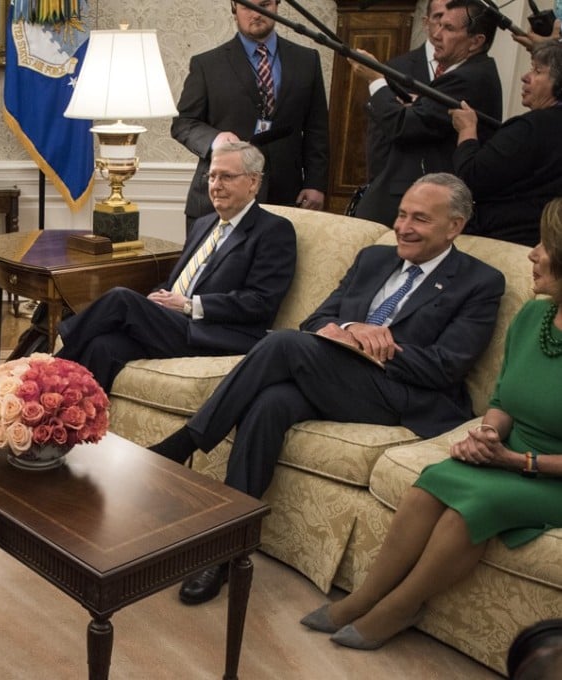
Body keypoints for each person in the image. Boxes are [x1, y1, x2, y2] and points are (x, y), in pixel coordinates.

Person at [150, 173, 506, 605]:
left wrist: (376, 347)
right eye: (401, 215)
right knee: (270, 403)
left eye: (420, 219)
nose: (403, 227)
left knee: (282, 343)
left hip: (401, 394)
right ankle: (224, 549)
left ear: (454, 226)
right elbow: (316, 321)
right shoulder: (374, 259)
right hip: (337, 377)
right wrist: (353, 328)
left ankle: (186, 441)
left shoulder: (479, 282)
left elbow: (446, 366)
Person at [299, 198, 562, 650]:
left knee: (471, 507)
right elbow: (501, 399)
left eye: (545, 246)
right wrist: (489, 433)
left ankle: (400, 608)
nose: (532, 254)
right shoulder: (534, 315)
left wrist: (518, 461)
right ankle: (365, 597)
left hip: (550, 473)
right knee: (428, 486)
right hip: (509, 451)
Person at [56, 142, 296, 391]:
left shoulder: (273, 231)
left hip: (215, 334)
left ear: (253, 182)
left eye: (226, 177)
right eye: (212, 176)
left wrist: (190, 305)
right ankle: (66, 407)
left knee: (121, 299)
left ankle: (50, 365)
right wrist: (156, 298)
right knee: (102, 346)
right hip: (175, 325)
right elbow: (176, 282)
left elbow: (260, 302)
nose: (216, 185)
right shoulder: (203, 224)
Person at [171, 0, 329, 230]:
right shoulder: (207, 64)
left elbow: (317, 129)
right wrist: (215, 139)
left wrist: (316, 183)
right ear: (234, 8)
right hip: (217, 201)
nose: (256, 13)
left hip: (285, 198)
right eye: (247, 6)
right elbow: (183, 124)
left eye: (264, 4)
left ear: (277, 5)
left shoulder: (307, 60)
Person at [351, 0, 502, 227]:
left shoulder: (469, 77)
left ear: (476, 41)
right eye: (438, 24)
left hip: (427, 208)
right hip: (407, 198)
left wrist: (375, 79)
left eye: (449, 28)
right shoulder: (468, 72)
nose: (436, 35)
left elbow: (402, 126)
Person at [448, 42, 562, 246]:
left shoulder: (530, 128)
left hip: (501, 241)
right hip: (548, 245)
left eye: (537, 71)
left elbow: (471, 178)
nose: (525, 77)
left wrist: (467, 129)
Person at [364, 0, 448, 182]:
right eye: (439, 17)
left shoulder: (464, 71)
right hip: (401, 183)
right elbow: (380, 138)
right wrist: (377, 185)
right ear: (426, 22)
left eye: (450, 22)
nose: (443, 26)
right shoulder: (396, 69)